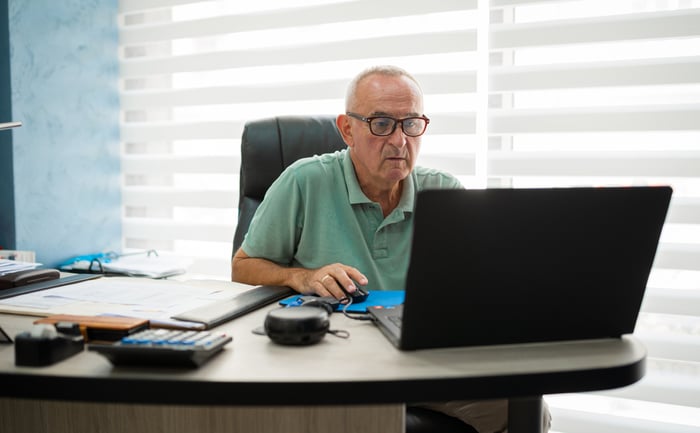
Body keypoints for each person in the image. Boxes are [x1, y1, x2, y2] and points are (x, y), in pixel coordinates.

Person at [231, 65, 550, 433]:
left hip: (420, 360)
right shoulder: (304, 181)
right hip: (331, 358)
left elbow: (477, 285)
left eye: (411, 124)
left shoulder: (443, 191)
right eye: (381, 123)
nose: (399, 141)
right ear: (347, 129)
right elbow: (243, 266)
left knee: (527, 408)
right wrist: (302, 276)